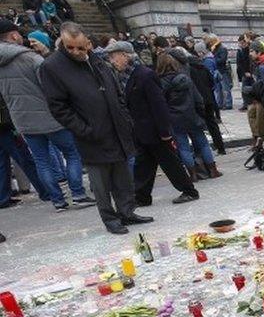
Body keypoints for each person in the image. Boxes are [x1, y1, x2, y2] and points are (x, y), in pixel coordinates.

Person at [39, 22, 152, 235]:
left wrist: (125, 117)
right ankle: (110, 219)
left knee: (123, 176)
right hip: (91, 133)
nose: (76, 52)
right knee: (101, 182)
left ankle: (127, 212)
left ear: (88, 43)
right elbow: (58, 107)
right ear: (62, 42)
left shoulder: (96, 60)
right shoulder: (52, 67)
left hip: (116, 127)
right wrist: (84, 129)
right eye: (70, 47)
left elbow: (115, 89)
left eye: (81, 47)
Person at [0, 19, 95, 212]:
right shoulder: (30, 58)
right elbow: (53, 86)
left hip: (22, 119)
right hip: (50, 116)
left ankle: (57, 200)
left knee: (41, 160)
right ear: (13, 36)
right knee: (72, 153)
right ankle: (78, 194)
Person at [104, 41, 198, 206]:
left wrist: (165, 132)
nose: (112, 61)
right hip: (140, 131)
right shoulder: (125, 76)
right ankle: (142, 197)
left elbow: (159, 105)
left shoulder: (145, 75)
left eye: (113, 57)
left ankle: (189, 191)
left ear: (125, 56)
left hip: (155, 130)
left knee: (170, 163)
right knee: (143, 165)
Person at [157, 52, 221, 181]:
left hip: (174, 118)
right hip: (192, 115)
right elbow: (198, 99)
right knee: (203, 143)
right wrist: (201, 114)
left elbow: (161, 103)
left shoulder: (160, 83)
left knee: (183, 146)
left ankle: (192, 174)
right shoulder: (185, 78)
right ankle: (212, 170)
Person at [188, 42, 225, 155]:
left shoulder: (190, 70)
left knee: (199, 127)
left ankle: (203, 152)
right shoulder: (203, 66)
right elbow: (211, 82)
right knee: (212, 124)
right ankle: (220, 147)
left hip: (198, 101)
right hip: (209, 98)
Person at [204, 33, 233, 110]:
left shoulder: (222, 48)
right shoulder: (213, 48)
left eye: (210, 41)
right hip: (217, 70)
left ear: (213, 40)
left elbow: (222, 60)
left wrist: (213, 60)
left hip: (222, 71)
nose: (209, 43)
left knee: (225, 88)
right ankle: (219, 104)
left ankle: (228, 104)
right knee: (218, 89)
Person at [235, 34, 251, 111]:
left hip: (249, 72)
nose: (241, 44)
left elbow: (248, 62)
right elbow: (239, 63)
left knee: (248, 88)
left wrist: (248, 71)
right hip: (244, 72)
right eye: (240, 43)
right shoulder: (240, 50)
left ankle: (248, 103)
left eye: (242, 43)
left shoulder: (248, 49)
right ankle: (246, 103)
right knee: (244, 89)